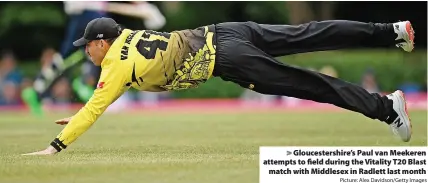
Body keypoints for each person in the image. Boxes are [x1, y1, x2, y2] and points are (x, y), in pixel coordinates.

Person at [23, 17, 415, 155]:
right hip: (224, 31)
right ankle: (391, 31)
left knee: (307, 85)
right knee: (309, 34)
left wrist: (56, 146)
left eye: (87, 46)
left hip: (227, 59)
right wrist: (76, 113)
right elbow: (115, 86)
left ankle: (385, 107)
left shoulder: (114, 63)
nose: (86, 53)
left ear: (101, 43)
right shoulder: (126, 38)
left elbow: (97, 105)